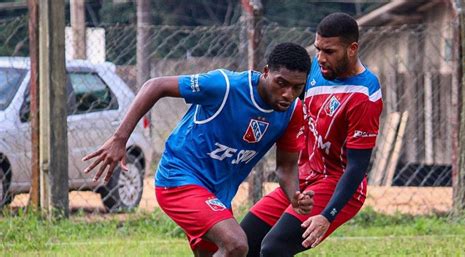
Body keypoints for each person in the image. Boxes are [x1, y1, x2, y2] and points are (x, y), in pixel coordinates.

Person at [82, 42, 314, 257]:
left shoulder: (293, 112)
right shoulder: (225, 86)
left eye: (296, 87)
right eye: (281, 83)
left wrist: (294, 194)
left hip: (218, 195)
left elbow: (286, 167)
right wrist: (120, 139)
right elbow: (156, 85)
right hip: (179, 178)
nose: (287, 94)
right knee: (236, 244)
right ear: (265, 72)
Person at [240, 12, 383, 257]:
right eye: (318, 49)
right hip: (305, 178)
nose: (320, 58)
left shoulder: (364, 94)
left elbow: (358, 166)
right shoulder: (315, 69)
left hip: (337, 183)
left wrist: (327, 216)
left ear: (352, 49)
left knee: (274, 248)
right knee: (243, 241)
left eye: (329, 51)